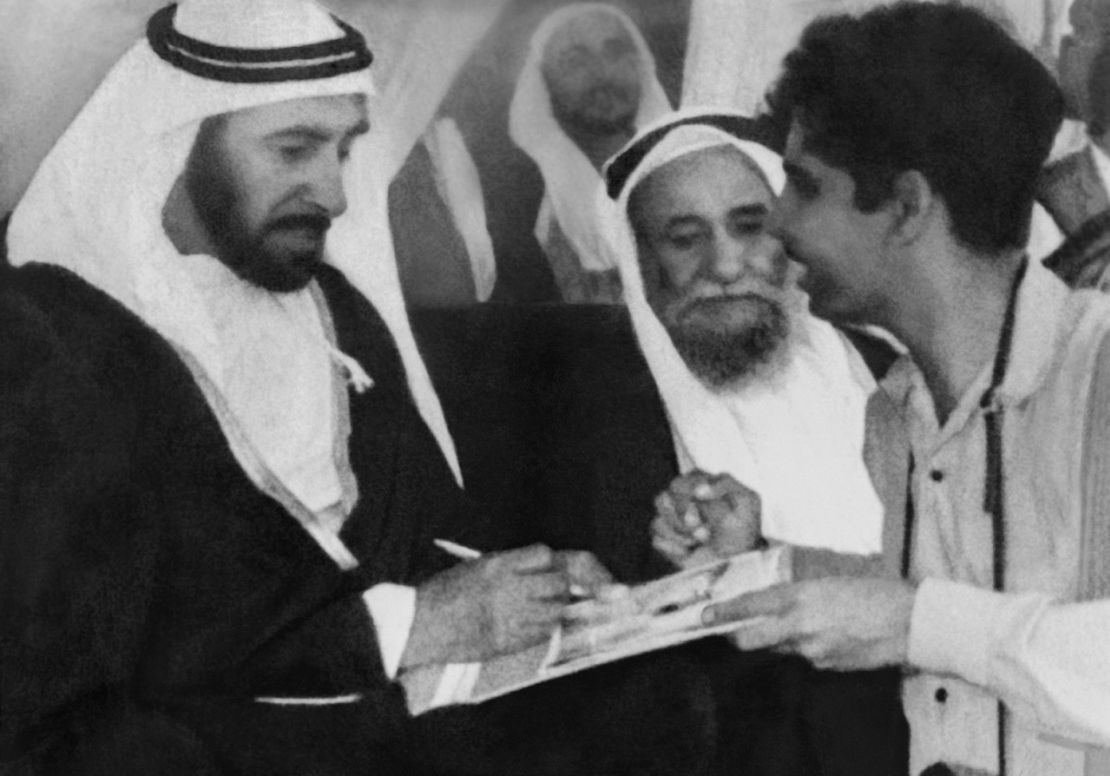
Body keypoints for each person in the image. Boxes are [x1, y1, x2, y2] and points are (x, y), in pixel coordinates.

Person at [0, 1, 716, 773]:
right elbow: (81, 684)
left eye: (342, 151)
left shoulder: (334, 315)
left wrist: (529, 591)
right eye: (294, 148)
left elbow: (414, 539)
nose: (334, 194)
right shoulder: (52, 346)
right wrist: (412, 628)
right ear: (174, 143)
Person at [663, 4, 1110, 775]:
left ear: (905, 206)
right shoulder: (894, 412)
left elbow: (925, 619)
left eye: (803, 186)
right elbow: (916, 609)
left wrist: (915, 623)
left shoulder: (1099, 368)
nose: (777, 222)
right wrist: (754, 564)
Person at [509, 3, 671, 303]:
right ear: (544, 81)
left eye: (614, 51)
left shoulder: (687, 171)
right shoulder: (520, 200)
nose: (601, 74)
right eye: (574, 61)